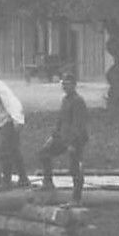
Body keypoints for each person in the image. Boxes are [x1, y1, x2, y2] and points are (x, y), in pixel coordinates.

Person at [38, 72, 89, 201]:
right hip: (63, 137)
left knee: (74, 169)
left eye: (68, 84)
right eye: (63, 84)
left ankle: (77, 199)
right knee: (44, 153)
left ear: (74, 85)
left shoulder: (78, 101)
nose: (65, 87)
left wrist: (73, 143)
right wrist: (53, 136)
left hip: (75, 139)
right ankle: (48, 183)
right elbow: (60, 121)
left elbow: (79, 125)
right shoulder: (65, 99)